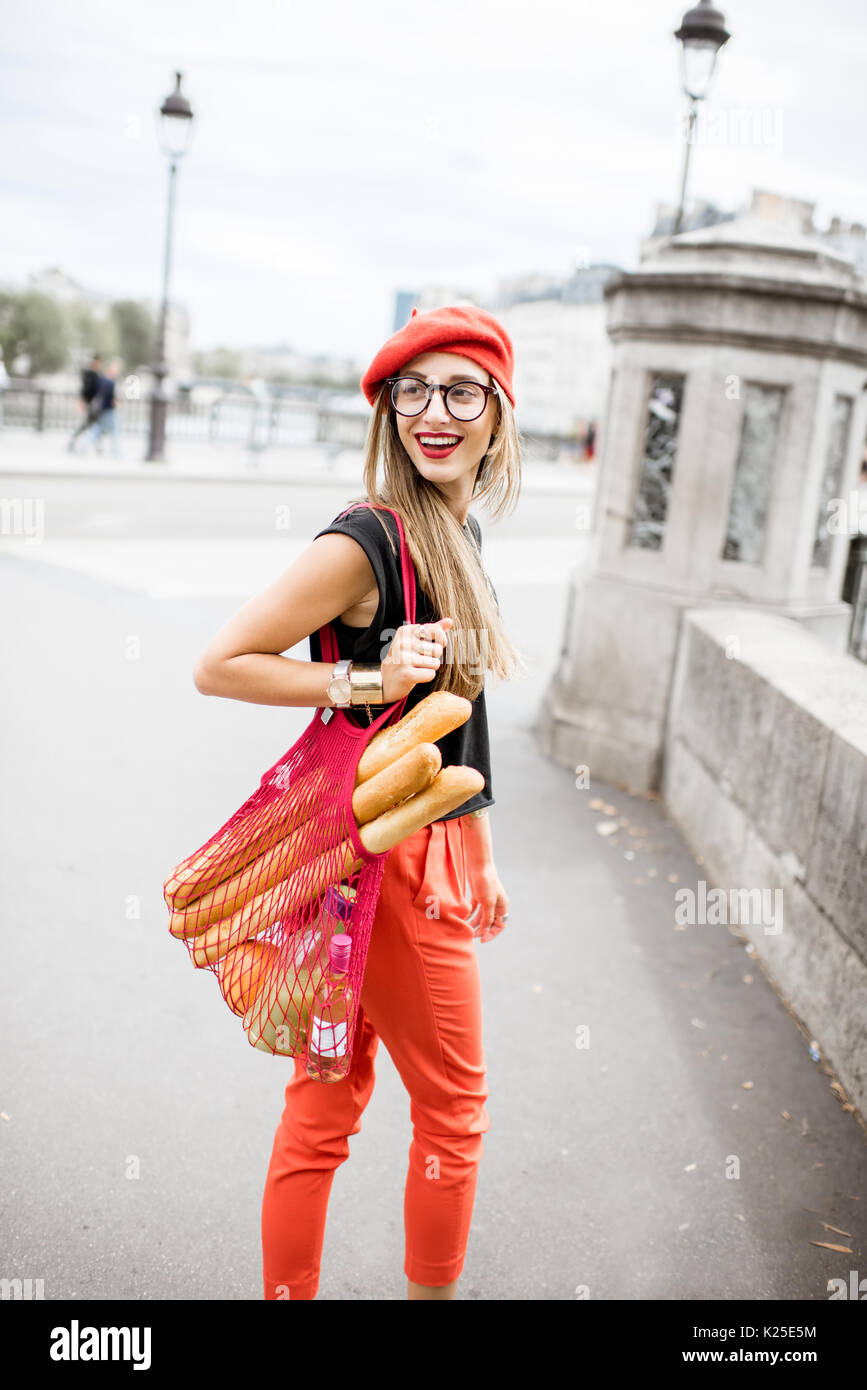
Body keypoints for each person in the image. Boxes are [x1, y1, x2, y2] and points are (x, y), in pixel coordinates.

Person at [193, 303, 526, 1301]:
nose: (436, 412)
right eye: (411, 391)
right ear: (386, 413)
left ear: (499, 414)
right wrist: (362, 678)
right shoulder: (367, 541)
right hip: (388, 860)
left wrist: (485, 851)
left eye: (461, 390)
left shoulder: (455, 528)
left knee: (323, 1105)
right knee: (455, 1110)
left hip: (408, 847)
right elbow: (221, 663)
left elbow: (464, 717)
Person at [82, 361, 122, 459]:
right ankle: (116, 453)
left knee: (97, 430)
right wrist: (114, 402)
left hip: (102, 410)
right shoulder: (109, 382)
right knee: (114, 431)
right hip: (108, 410)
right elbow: (108, 397)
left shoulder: (101, 380)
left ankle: (83, 448)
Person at [67, 353, 102, 453]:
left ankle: (95, 446)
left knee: (93, 424)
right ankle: (75, 442)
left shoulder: (96, 374)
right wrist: (82, 401)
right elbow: (85, 389)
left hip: (94, 404)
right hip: (90, 403)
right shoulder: (88, 374)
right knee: (89, 425)